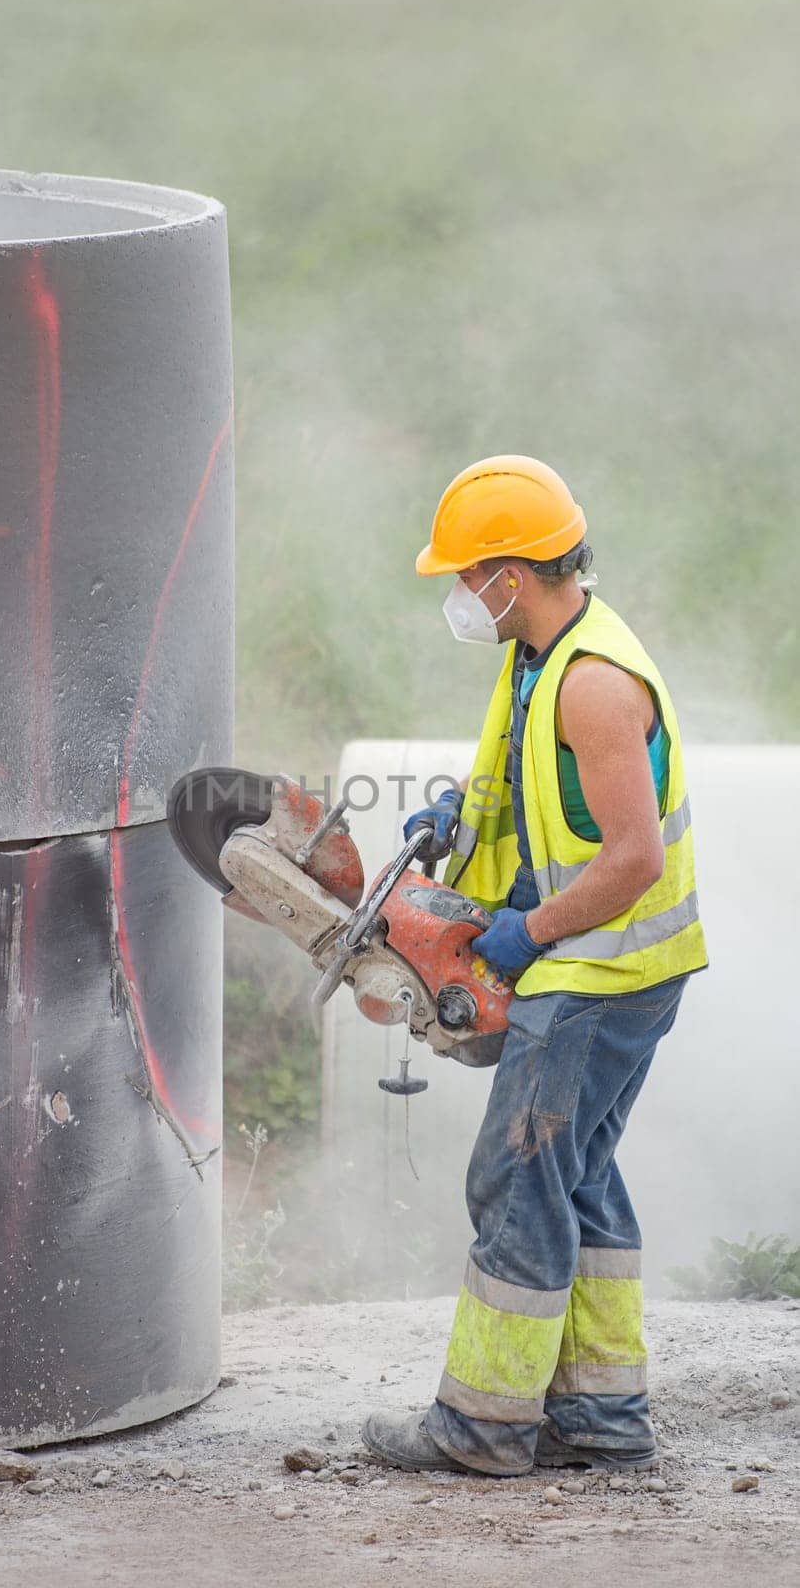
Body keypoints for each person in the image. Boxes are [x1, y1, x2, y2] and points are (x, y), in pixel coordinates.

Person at [361, 455, 708, 1477]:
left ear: (512, 572)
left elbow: (633, 858)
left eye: (466, 576)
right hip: (604, 963)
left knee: (516, 1174)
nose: (459, 596)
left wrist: (529, 933)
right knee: (578, 1176)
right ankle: (603, 1420)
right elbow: (513, 782)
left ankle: (483, 1425)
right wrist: (455, 818)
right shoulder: (534, 657)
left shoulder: (594, 685)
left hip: (599, 971)